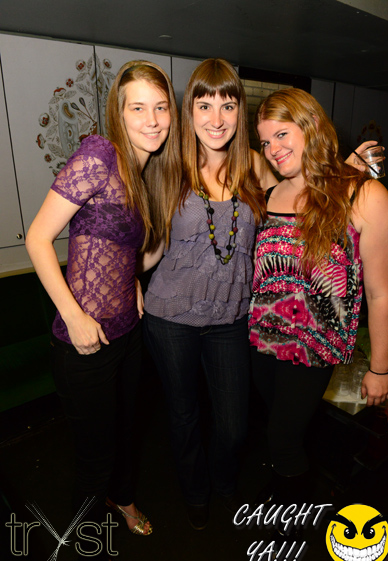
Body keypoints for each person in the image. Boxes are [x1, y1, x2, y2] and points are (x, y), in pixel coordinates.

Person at [26, 60, 181, 561]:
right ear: (119, 111)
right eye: (138, 108)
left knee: (127, 432)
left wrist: (134, 279)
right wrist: (73, 314)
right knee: (94, 459)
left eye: (161, 107)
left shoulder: (145, 172)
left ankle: (123, 498)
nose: (152, 119)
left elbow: (126, 250)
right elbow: (37, 238)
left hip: (127, 331)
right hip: (84, 343)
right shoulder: (99, 154)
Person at [143, 58, 277, 530]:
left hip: (230, 318)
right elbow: (152, 246)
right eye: (204, 105)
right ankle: (195, 492)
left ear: (241, 111)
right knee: (184, 416)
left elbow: (301, 194)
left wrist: (344, 173)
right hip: (170, 317)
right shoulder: (170, 168)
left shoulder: (254, 166)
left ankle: (223, 480)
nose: (216, 118)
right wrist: (122, 281)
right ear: (190, 111)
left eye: (228, 105)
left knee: (234, 425)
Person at [248, 87, 388, 509]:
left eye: (282, 134)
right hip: (261, 340)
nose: (273, 149)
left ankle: (289, 513)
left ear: (312, 124)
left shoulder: (365, 196)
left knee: (283, 436)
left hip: (312, 347)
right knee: (278, 427)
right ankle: (284, 484)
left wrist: (380, 369)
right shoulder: (270, 195)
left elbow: (380, 294)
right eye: (266, 141)